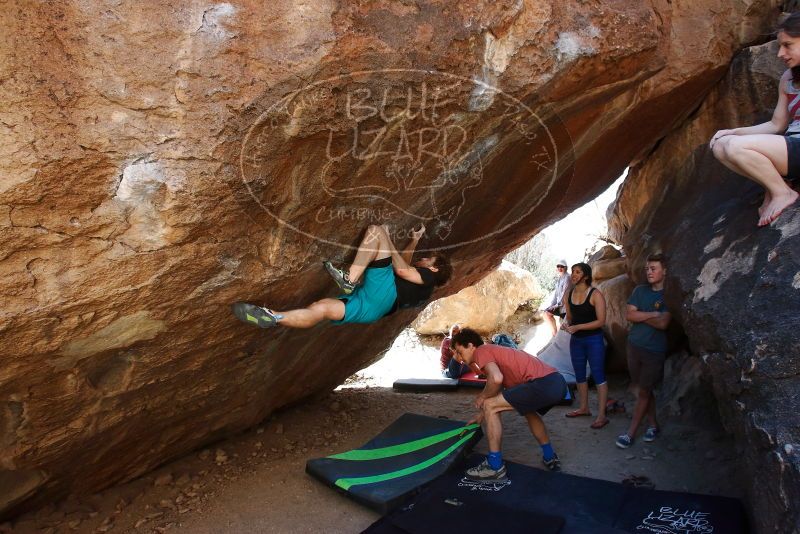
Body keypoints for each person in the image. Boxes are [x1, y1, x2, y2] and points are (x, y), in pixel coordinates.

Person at [231, 224, 451, 328]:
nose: (421, 260)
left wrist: (386, 237)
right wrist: (415, 239)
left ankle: (350, 278)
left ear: (434, 269)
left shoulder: (428, 277)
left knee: (377, 231)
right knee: (321, 308)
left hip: (384, 294)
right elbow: (404, 264)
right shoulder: (423, 290)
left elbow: (401, 269)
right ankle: (275, 316)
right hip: (374, 309)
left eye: (426, 260)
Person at [709, 13, 800, 227]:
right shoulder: (788, 78)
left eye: (788, 45)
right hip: (793, 146)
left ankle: (782, 193)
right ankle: (776, 185)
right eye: (780, 46)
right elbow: (776, 124)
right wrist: (733, 132)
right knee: (721, 145)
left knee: (735, 148)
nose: (780, 53)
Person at [451, 328, 567, 481]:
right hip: (556, 383)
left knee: (491, 406)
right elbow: (498, 389)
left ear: (471, 345)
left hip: (542, 384)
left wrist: (482, 396)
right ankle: (549, 456)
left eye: (459, 351)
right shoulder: (496, 354)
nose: (458, 358)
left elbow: (496, 379)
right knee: (529, 412)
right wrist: (481, 416)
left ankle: (494, 466)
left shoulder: (482, 351)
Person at [616, 253, 671, 449]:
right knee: (643, 389)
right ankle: (654, 425)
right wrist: (653, 314)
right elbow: (629, 315)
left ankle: (630, 433)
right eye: (647, 268)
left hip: (654, 350)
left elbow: (664, 323)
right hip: (634, 347)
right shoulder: (640, 290)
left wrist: (641, 315)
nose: (649, 271)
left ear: (664, 271)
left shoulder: (669, 294)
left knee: (644, 391)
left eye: (653, 268)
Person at [563, 262, 609, 430]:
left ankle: (602, 415)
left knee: (598, 375)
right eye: (573, 272)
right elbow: (569, 317)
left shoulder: (595, 294)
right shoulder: (568, 294)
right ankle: (584, 408)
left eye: (577, 272)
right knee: (579, 374)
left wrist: (578, 327)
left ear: (586, 276)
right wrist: (566, 325)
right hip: (576, 341)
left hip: (594, 339)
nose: (573, 275)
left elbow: (601, 321)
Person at [542, 259, 571, 337]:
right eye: (558, 266)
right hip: (559, 305)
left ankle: (554, 334)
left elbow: (564, 294)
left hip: (564, 306)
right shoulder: (560, 278)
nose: (560, 268)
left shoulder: (567, 278)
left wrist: (556, 305)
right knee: (545, 313)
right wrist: (551, 305)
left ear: (566, 268)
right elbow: (556, 294)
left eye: (562, 266)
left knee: (546, 314)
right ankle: (555, 333)